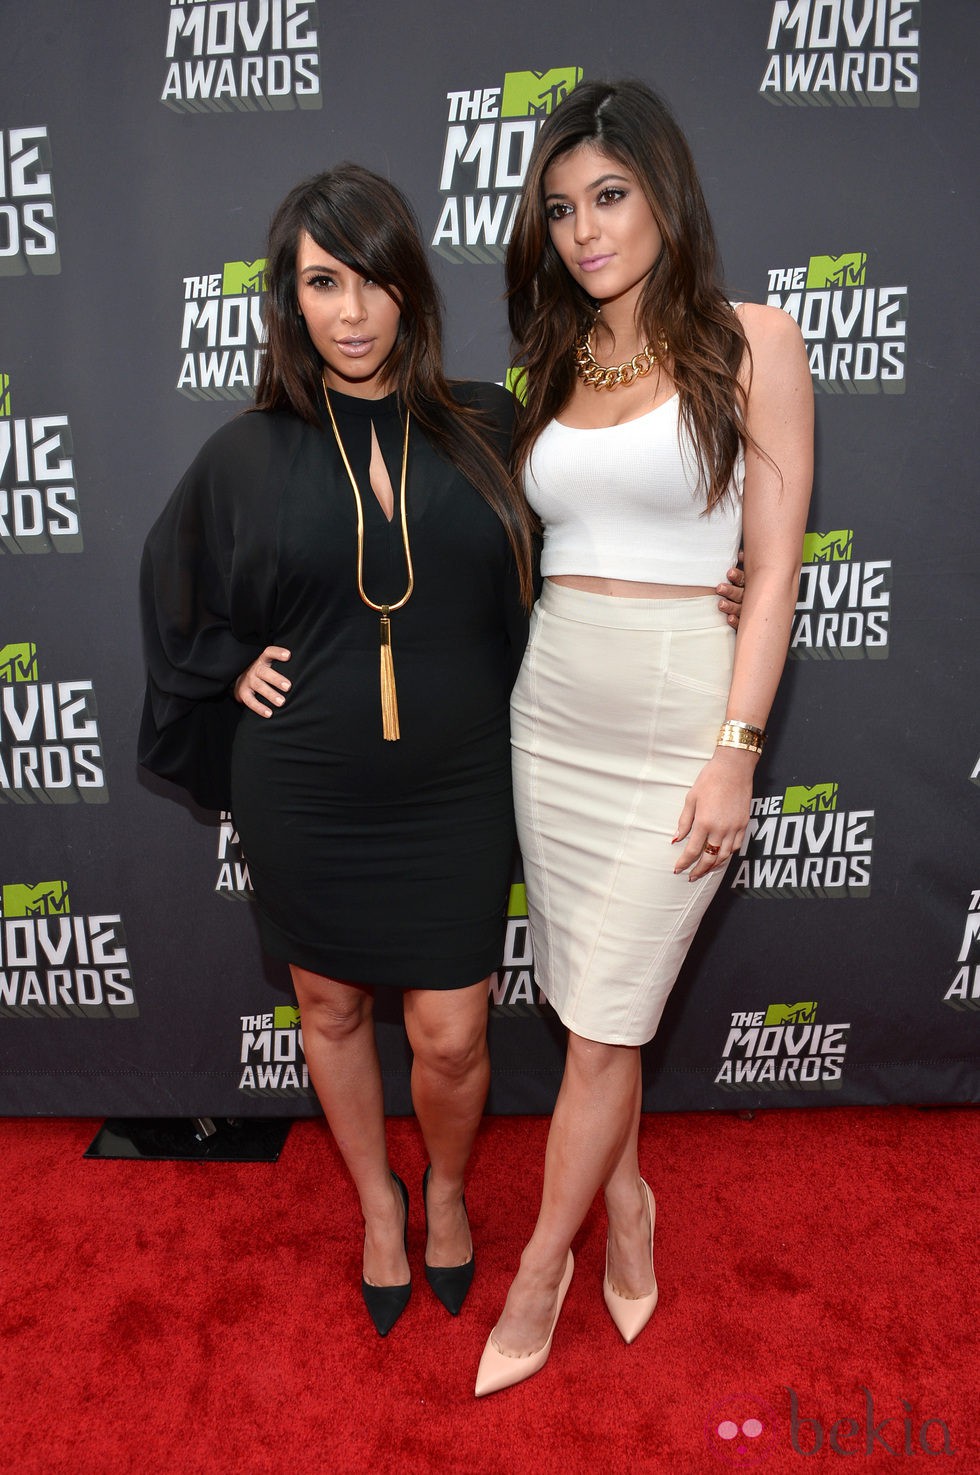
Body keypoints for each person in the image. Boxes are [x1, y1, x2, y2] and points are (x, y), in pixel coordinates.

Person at [140, 162, 745, 1339]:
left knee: (451, 1031)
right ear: (292, 301)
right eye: (324, 283)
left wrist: (703, 575)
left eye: (372, 278)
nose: (352, 309)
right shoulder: (245, 453)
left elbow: (601, 515)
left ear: (410, 290)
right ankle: (377, 1200)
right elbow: (172, 589)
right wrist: (225, 663)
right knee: (323, 1007)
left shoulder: (488, 422)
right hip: (304, 786)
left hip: (460, 785)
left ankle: (452, 1190)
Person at [474, 80, 813, 1396]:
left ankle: (542, 1267)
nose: (584, 229)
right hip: (553, 705)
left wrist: (737, 744)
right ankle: (626, 1204)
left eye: (608, 195)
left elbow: (774, 568)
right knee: (587, 1009)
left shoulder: (754, 341)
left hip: (682, 711)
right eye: (560, 208)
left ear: (664, 194)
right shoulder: (552, 363)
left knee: (608, 1020)